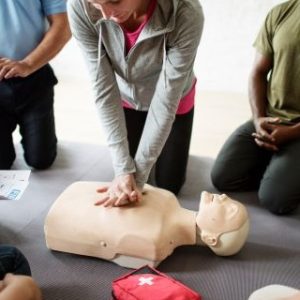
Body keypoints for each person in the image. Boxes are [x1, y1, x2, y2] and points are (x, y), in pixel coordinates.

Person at [67, 0, 204, 205]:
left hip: (173, 98)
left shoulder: (186, 12)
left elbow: (166, 101)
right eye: (96, 4)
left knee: (169, 184)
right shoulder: (79, 6)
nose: (105, 15)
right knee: (125, 168)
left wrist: (137, 183)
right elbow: (103, 89)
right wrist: (123, 171)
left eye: (114, 1)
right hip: (127, 98)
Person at [211, 0, 300, 215]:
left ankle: (284, 171)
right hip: (271, 119)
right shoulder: (281, 13)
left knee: (276, 200)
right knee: (223, 177)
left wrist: (293, 132)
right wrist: (259, 119)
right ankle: (281, 166)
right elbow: (258, 72)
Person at [45, 182, 249, 269]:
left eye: (229, 210)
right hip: (72, 209)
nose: (223, 197)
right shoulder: (169, 198)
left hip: (63, 220)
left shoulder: (156, 244)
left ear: (210, 238)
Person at [0, 0, 71, 170]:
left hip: (35, 77)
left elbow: (63, 25)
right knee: (1, 164)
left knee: (41, 160)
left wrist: (28, 64)